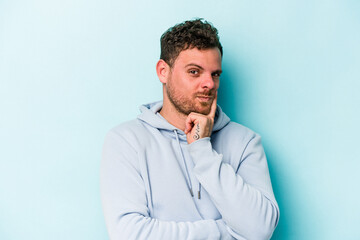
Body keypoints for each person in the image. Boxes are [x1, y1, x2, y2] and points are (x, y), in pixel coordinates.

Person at [100, 19, 279, 240]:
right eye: (195, 72)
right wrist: (228, 232)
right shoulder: (126, 141)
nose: (209, 84)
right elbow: (130, 234)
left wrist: (202, 149)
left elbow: (260, 229)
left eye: (215, 74)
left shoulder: (245, 142)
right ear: (163, 71)